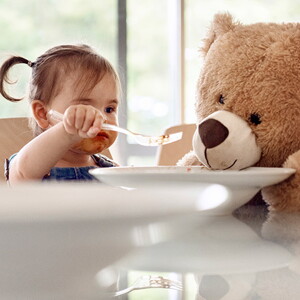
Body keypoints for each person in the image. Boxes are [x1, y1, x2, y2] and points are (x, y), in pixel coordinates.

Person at [0, 44, 120, 183]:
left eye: (109, 109)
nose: (101, 118)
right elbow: (21, 174)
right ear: (43, 114)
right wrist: (68, 130)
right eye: (84, 108)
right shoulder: (31, 168)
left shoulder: (111, 170)